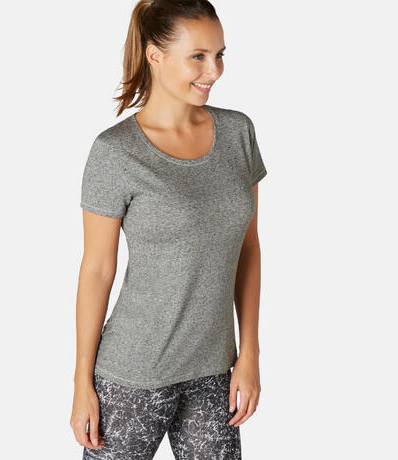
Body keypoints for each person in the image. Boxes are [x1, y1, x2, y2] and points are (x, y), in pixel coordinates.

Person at [70, 0, 267, 458]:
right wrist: (82, 382)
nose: (214, 71)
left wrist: (250, 353)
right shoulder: (115, 152)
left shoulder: (238, 132)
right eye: (198, 56)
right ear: (155, 55)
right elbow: (97, 269)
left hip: (215, 372)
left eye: (219, 55)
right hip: (132, 375)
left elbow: (248, 250)